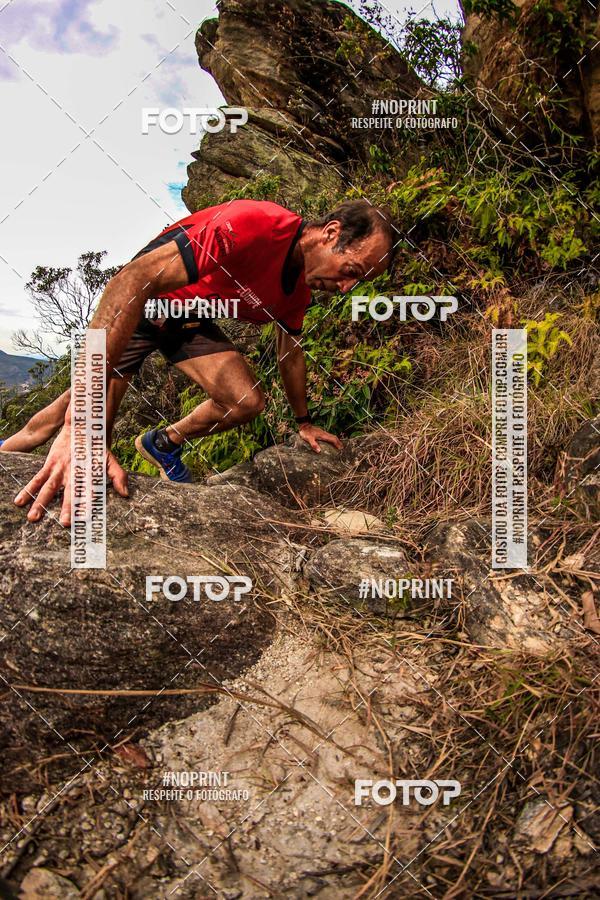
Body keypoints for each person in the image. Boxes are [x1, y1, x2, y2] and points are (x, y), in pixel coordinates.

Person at [6, 197, 395, 524]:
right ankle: (10, 451)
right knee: (74, 427)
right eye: (350, 272)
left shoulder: (297, 294)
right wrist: (83, 421)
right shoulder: (254, 224)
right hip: (141, 305)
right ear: (331, 233)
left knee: (246, 400)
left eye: (356, 284)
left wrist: (303, 422)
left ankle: (162, 444)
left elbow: (290, 354)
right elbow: (131, 279)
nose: (345, 288)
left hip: (187, 319)